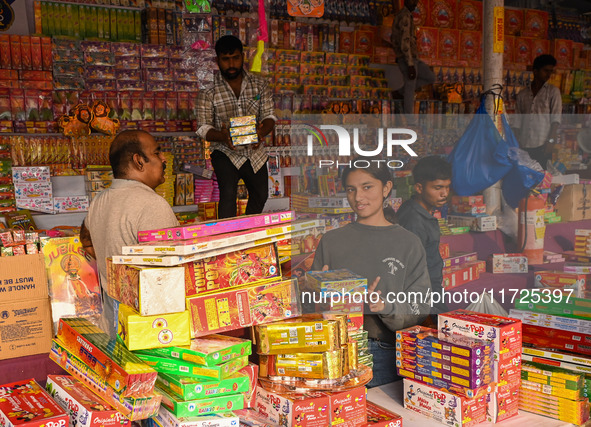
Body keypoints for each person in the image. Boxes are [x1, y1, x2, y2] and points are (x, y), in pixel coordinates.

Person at [311, 160, 431, 388]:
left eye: (367, 187)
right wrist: (317, 292)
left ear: (386, 188)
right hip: (335, 349)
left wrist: (386, 307)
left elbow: (420, 305)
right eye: (351, 189)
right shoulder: (331, 241)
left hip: (382, 352)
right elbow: (311, 306)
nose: (358, 197)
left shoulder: (408, 243)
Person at [80, 130, 179, 336]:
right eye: (157, 152)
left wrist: (113, 261)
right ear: (139, 161)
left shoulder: (100, 200)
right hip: (149, 328)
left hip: (113, 322)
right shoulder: (152, 205)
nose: (163, 159)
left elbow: (86, 238)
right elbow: (170, 274)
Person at [196, 35, 277, 219]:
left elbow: (270, 116)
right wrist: (223, 136)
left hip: (254, 151)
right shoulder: (208, 91)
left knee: (261, 194)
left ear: (242, 57)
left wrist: (261, 132)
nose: (231, 64)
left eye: (235, 58)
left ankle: (247, 229)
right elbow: (202, 128)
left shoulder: (259, 85)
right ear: (218, 60)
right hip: (225, 152)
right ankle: (229, 238)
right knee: (228, 195)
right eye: (225, 59)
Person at [397, 156, 451, 316]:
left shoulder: (421, 212)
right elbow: (410, 268)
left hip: (430, 287)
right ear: (419, 188)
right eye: (437, 188)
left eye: (447, 187)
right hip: (422, 293)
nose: (444, 194)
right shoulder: (413, 219)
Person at [513, 54, 562, 168]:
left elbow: (556, 120)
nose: (549, 74)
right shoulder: (522, 95)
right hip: (524, 146)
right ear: (535, 71)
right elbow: (517, 122)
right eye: (545, 71)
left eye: (551, 71)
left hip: (543, 145)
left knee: (541, 180)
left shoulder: (553, 92)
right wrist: (516, 144)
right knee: (525, 179)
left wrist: (550, 142)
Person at [391, 0, 435, 117]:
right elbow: (404, 41)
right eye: (412, 2)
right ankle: (409, 120)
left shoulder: (405, 15)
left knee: (430, 77)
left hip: (413, 57)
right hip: (408, 58)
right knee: (410, 89)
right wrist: (409, 64)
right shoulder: (404, 16)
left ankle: (400, 92)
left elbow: (397, 38)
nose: (414, 4)